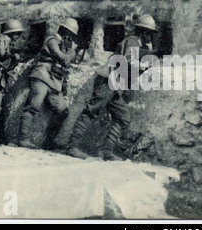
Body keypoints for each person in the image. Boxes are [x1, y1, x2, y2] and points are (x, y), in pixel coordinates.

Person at [66, 14, 158, 160]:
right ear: (144, 32)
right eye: (150, 34)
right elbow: (128, 60)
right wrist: (142, 66)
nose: (151, 37)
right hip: (108, 82)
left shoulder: (137, 44)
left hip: (116, 87)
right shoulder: (133, 41)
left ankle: (106, 151)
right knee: (92, 111)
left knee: (123, 117)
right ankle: (72, 147)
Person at [17, 18, 79, 149]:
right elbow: (64, 59)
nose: (70, 37)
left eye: (71, 35)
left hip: (55, 82)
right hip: (42, 75)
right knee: (33, 105)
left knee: (62, 110)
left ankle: (49, 142)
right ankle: (22, 139)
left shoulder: (64, 45)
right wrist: (72, 50)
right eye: (68, 33)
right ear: (63, 30)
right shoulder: (52, 40)